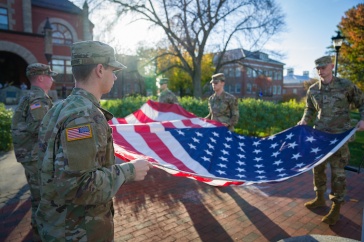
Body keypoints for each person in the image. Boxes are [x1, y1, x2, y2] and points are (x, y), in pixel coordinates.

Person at [36, 40, 153, 241]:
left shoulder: (61, 108)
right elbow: (78, 185)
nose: (115, 76)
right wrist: (129, 171)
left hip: (58, 225)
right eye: (113, 69)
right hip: (77, 231)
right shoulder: (85, 116)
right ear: (100, 69)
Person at [297, 56, 364, 225]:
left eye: (324, 67)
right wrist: (305, 119)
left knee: (337, 173)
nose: (321, 70)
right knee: (317, 168)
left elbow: (362, 102)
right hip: (320, 136)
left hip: (339, 137)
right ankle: (320, 198)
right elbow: (310, 108)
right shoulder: (313, 89)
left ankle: (336, 207)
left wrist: (363, 119)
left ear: (332, 67)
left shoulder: (345, 85)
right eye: (318, 68)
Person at [11, 63, 57, 241]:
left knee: (38, 193)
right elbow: (42, 129)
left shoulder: (31, 96)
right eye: (50, 76)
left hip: (30, 153)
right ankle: (41, 232)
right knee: (42, 195)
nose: (52, 79)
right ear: (41, 78)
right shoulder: (38, 99)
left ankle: (38, 226)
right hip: (34, 155)